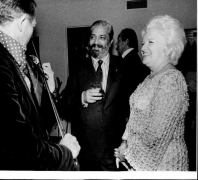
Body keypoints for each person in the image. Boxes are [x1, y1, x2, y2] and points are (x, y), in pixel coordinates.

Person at [0, 0, 80, 170]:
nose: (32, 33)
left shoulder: (3, 57)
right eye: (32, 26)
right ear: (22, 22)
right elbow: (21, 151)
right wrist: (65, 151)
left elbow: (34, 123)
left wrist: (48, 90)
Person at [114, 15, 189, 171]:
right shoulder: (151, 77)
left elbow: (155, 138)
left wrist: (126, 154)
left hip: (165, 166)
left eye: (151, 42)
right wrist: (124, 142)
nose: (142, 48)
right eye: (143, 43)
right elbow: (136, 118)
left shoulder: (171, 81)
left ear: (168, 47)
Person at [60, 20, 128, 171]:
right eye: (93, 37)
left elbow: (131, 108)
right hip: (86, 151)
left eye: (102, 38)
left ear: (110, 42)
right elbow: (64, 103)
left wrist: (127, 141)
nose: (95, 42)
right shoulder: (78, 68)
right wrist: (81, 97)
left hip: (114, 150)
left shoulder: (123, 67)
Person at [116, 28, 149, 120]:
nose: (116, 44)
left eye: (119, 41)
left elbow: (126, 91)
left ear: (126, 41)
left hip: (128, 113)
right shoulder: (134, 58)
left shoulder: (128, 61)